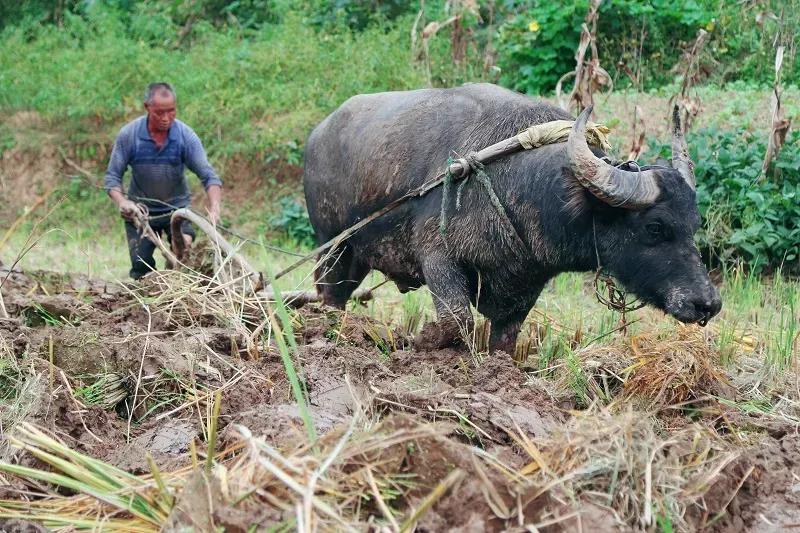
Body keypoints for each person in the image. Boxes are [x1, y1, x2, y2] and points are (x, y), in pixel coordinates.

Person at [104, 82, 223, 279]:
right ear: (147, 108)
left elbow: (209, 176)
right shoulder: (129, 135)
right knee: (141, 266)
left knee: (184, 255)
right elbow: (112, 177)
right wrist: (123, 202)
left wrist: (215, 206)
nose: (166, 118)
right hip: (141, 213)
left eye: (171, 111)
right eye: (160, 113)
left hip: (177, 210)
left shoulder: (185, 136)